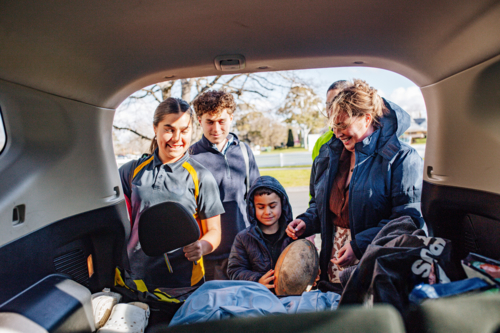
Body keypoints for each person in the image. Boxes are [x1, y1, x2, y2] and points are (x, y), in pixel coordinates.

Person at [287, 79, 425, 290]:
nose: (336, 133)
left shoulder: (402, 158)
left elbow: (408, 219)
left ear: (367, 118)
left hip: (376, 265)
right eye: (333, 126)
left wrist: (359, 246)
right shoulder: (327, 156)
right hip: (331, 265)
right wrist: (307, 221)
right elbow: (319, 203)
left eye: (343, 125)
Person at [119, 97, 224, 290]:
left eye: (184, 131)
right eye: (169, 129)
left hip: (183, 286)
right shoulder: (131, 171)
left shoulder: (201, 176)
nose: (177, 138)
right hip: (135, 281)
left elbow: (214, 232)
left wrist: (202, 246)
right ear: (155, 128)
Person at [190, 90, 260, 280]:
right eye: (209, 122)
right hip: (209, 257)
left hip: (245, 252)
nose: (216, 128)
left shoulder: (245, 152)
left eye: (221, 121)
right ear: (199, 120)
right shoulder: (190, 158)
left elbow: (256, 200)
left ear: (231, 118)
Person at [227, 176, 293, 289]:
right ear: (252, 208)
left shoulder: (294, 234)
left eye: (273, 206)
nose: (267, 212)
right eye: (261, 207)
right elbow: (235, 270)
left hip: (292, 297)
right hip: (258, 296)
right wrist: (257, 280)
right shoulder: (243, 238)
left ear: (283, 204)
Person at [311, 80, 352, 161]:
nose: (332, 109)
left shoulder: (361, 137)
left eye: (338, 102)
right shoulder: (321, 141)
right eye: (328, 104)